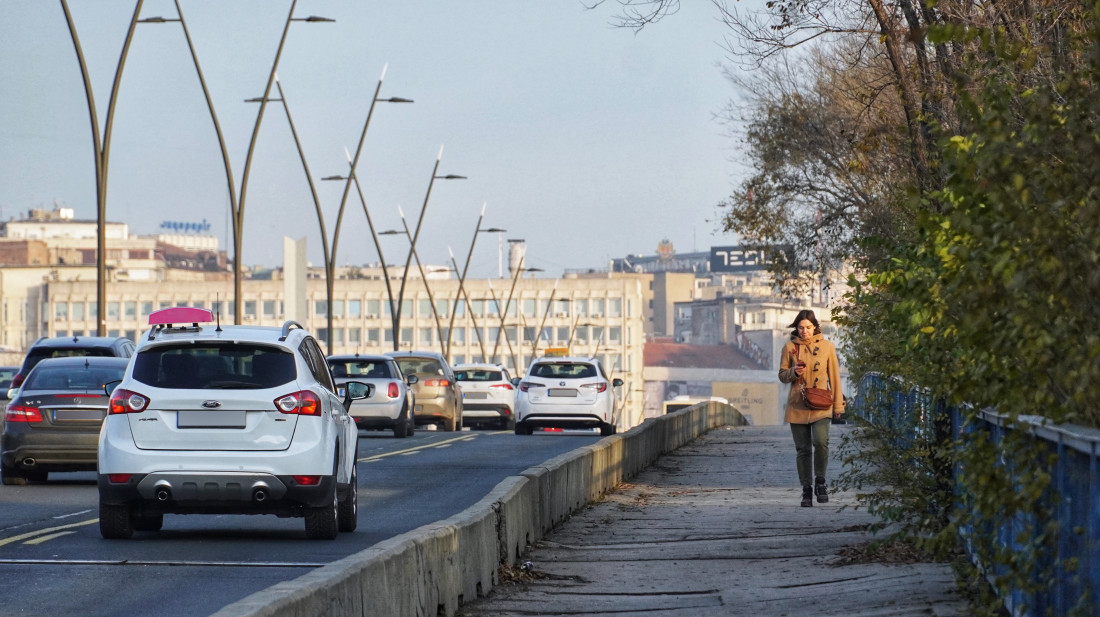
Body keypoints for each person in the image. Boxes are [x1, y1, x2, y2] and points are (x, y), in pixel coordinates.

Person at [778, 309, 844, 507]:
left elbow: (835, 378)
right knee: (803, 449)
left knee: (821, 442)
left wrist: (838, 405)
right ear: (796, 328)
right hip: (797, 405)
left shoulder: (827, 347)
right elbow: (782, 376)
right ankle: (806, 489)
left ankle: (820, 482)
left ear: (815, 327)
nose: (804, 331)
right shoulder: (789, 347)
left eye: (808, 327)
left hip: (821, 404)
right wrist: (793, 372)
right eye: (800, 327)